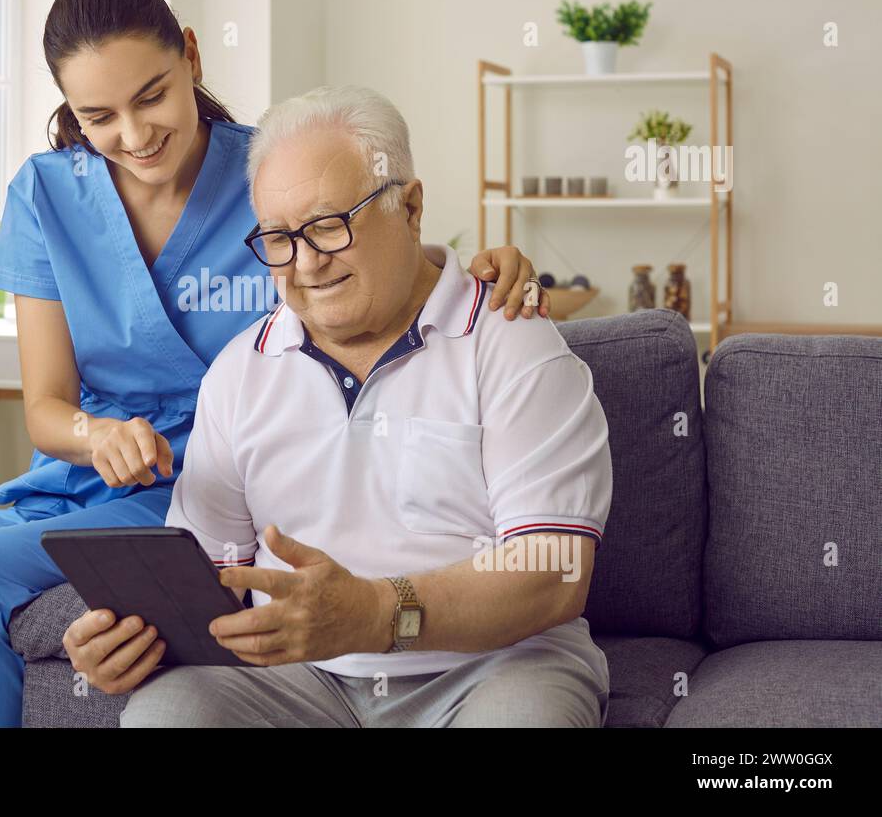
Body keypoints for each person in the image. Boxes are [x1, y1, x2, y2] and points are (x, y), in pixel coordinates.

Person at [0, 0, 550, 727]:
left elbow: (368, 261)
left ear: (191, 57)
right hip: (80, 483)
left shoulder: (267, 172)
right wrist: (98, 435)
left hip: (209, 484)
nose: (135, 135)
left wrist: (487, 266)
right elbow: (48, 406)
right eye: (98, 116)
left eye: (151, 96)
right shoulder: (46, 194)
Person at [62, 86, 611, 728]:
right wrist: (130, 641)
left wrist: (376, 614)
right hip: (299, 679)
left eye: (328, 227)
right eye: (278, 238)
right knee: (165, 716)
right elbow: (208, 579)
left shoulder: (511, 339)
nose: (306, 265)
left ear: (409, 207)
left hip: (494, 666)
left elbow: (555, 572)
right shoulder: (240, 372)